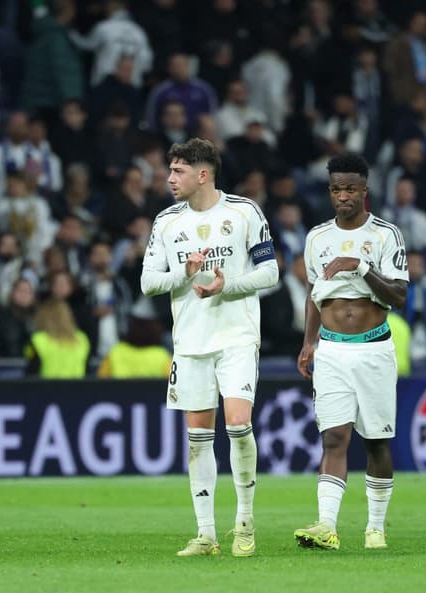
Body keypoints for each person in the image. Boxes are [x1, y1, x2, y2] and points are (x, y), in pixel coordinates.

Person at [140, 138, 278, 557]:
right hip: (190, 342)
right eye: (170, 170)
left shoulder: (244, 212)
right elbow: (148, 283)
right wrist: (185, 274)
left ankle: (245, 524)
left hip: (236, 336)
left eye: (178, 171)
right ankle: (206, 534)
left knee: (237, 425)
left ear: (203, 174)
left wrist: (227, 285)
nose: (169, 178)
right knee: (198, 439)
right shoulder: (166, 222)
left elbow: (270, 271)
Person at [294, 154, 409, 551]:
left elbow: (399, 294)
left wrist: (360, 266)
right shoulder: (316, 237)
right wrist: (309, 342)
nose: (342, 196)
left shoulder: (385, 235)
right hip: (331, 351)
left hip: (373, 349)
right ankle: (326, 525)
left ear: (364, 191)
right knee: (334, 438)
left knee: (376, 441)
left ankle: (375, 527)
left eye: (349, 189)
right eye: (335, 189)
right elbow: (313, 294)